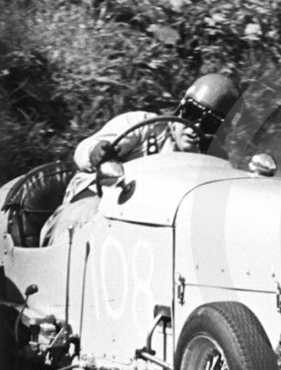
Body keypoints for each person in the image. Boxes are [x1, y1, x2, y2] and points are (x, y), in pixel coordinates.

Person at [40, 73, 240, 246]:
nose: (195, 126)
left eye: (212, 124)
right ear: (181, 108)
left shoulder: (217, 161)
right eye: (193, 113)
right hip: (93, 210)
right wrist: (97, 153)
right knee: (88, 213)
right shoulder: (143, 126)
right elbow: (84, 149)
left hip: (153, 230)